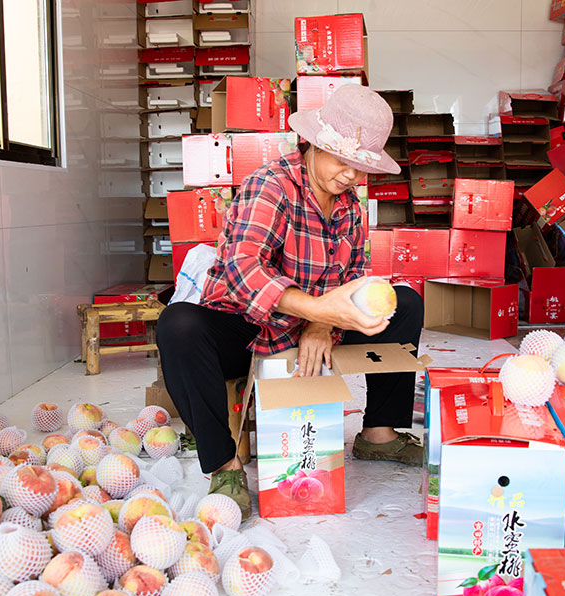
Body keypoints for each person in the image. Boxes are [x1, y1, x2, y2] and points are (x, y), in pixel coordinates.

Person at [156, 85, 424, 520]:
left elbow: (350, 280)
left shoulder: (349, 207)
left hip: (313, 328)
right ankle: (225, 467)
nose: (352, 176)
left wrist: (322, 326)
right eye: (343, 161)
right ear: (314, 143)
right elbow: (243, 270)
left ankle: (378, 433)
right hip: (245, 329)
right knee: (179, 326)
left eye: (360, 167)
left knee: (404, 304)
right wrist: (317, 312)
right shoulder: (272, 185)